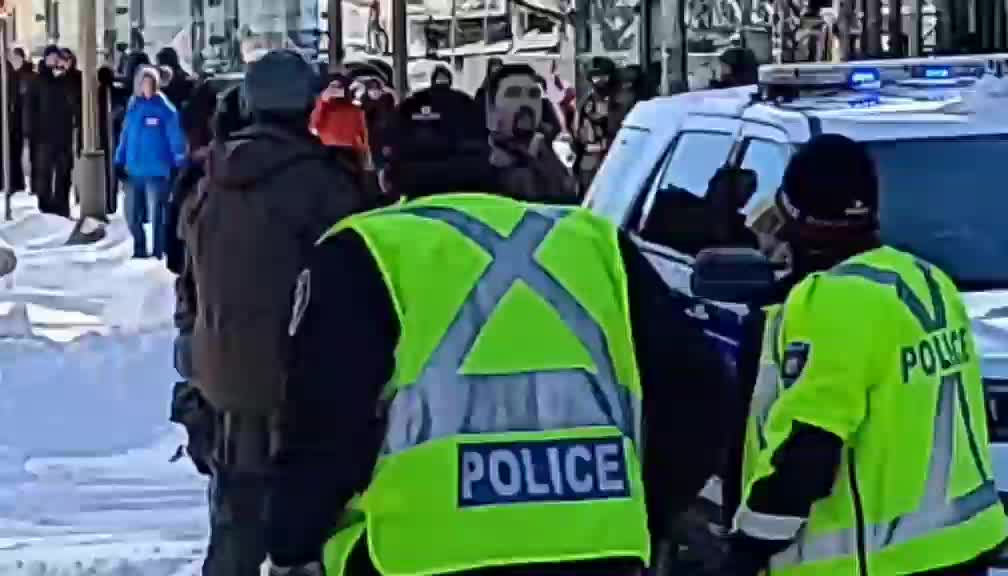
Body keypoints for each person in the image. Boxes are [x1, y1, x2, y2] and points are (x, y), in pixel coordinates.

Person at [262, 83, 729, 576]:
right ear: (489, 158)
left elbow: (324, 420)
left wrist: (292, 543)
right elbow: (699, 392)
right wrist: (646, 504)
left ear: (386, 170)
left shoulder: (361, 251)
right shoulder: (593, 242)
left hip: (421, 554)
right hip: (595, 546)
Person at [729, 135, 1008, 576]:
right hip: (961, 547)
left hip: (873, 562)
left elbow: (810, 449)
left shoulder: (829, 300)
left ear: (797, 219)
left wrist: (747, 548)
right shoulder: (929, 281)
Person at [179, 49, 371, 576]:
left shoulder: (207, 182)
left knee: (234, 532)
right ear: (308, 106)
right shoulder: (327, 185)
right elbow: (353, 289)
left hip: (223, 385)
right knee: (307, 538)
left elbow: (189, 287)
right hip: (301, 390)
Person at [114, 66, 186, 259]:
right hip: (133, 169)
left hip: (157, 171)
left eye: (150, 83)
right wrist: (118, 160)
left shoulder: (165, 108)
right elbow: (125, 135)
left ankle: (158, 251)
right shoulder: (133, 107)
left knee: (158, 215)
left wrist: (178, 162)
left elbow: (175, 137)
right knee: (131, 214)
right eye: (143, 83)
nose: (146, 86)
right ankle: (139, 248)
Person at [486, 64, 576, 203]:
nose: (526, 102)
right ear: (492, 110)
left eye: (533, 94)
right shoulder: (480, 164)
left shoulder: (552, 156)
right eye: (513, 93)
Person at [26, 45, 78, 218]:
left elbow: (74, 102)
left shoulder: (66, 79)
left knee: (64, 171)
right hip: (43, 134)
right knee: (44, 172)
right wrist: (30, 129)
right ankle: (45, 206)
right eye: (52, 58)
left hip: (63, 133)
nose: (55, 61)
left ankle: (62, 206)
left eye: (58, 58)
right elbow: (30, 106)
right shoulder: (38, 80)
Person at [573, 56, 617, 193]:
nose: (600, 79)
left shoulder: (617, 101)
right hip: (591, 157)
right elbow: (578, 131)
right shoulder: (586, 103)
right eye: (596, 76)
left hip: (613, 156)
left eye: (603, 75)